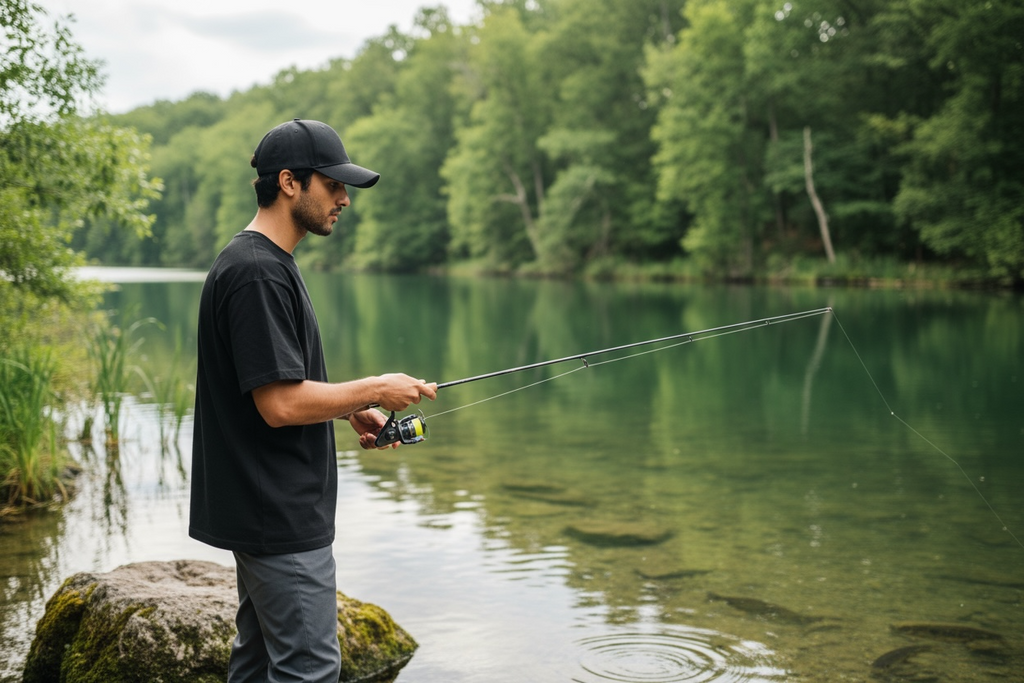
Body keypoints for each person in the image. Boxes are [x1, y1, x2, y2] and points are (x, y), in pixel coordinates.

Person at [189, 118, 436, 683]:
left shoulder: (262, 263)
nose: (345, 199)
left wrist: (347, 405)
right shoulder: (256, 273)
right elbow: (277, 404)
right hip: (276, 515)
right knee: (310, 671)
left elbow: (272, 379)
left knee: (255, 665)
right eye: (334, 185)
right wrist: (375, 387)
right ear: (289, 183)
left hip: (260, 510)